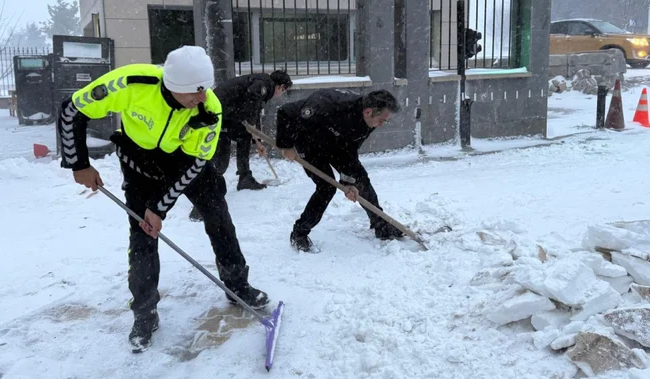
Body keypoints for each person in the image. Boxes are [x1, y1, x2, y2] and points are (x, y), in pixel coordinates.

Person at [58, 45, 270, 353]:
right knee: (142, 235)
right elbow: (72, 109)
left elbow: (196, 163)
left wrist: (160, 206)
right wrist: (79, 162)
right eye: (195, 92)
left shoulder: (209, 109)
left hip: (185, 162)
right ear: (174, 86)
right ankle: (144, 313)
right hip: (138, 162)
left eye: (206, 89)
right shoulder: (132, 83)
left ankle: (237, 286)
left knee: (218, 214)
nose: (203, 98)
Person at [275, 89, 404, 252]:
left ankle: (381, 226)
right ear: (368, 111)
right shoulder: (329, 105)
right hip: (308, 143)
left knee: (361, 179)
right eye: (382, 120)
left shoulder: (368, 122)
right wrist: (285, 145)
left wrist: (348, 182)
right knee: (326, 187)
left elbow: (349, 151)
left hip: (335, 146)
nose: (382, 124)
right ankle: (299, 233)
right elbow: (285, 112)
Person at [189, 70, 293, 221]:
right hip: (218, 114)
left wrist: (257, 141)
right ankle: (201, 202)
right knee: (221, 161)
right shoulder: (263, 85)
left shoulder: (264, 86)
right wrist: (252, 128)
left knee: (244, 136)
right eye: (284, 91)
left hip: (229, 114)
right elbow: (252, 101)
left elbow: (255, 114)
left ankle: (244, 178)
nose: (282, 94)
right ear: (281, 87)